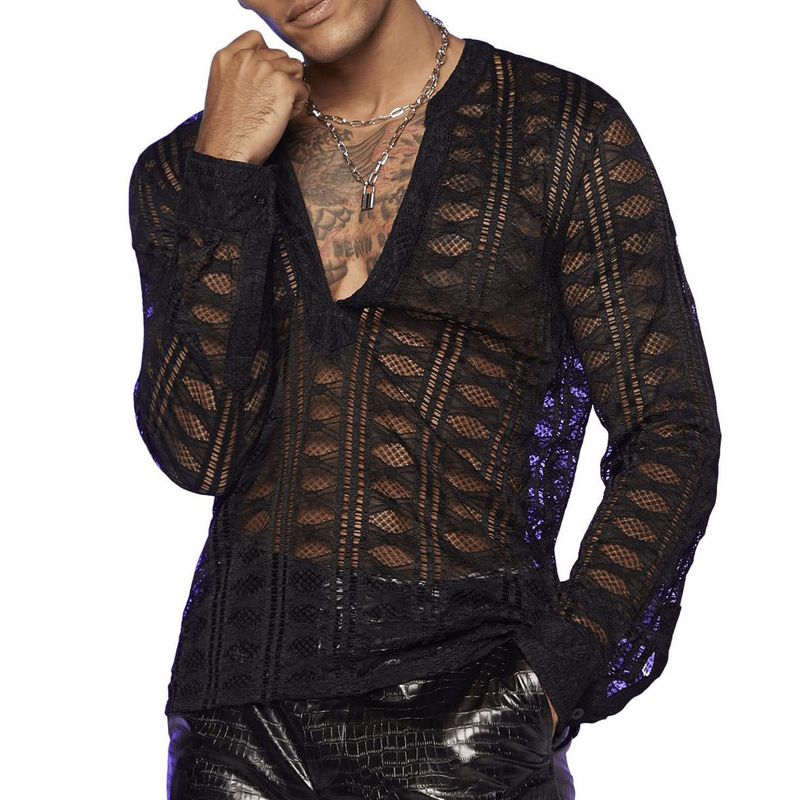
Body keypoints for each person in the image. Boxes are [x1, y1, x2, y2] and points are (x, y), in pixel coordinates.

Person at [127, 1, 721, 797]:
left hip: (466, 712)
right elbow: (199, 452)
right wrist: (226, 173)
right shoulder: (188, 170)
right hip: (237, 723)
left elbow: (671, 429)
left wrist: (547, 680)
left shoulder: (558, 133)